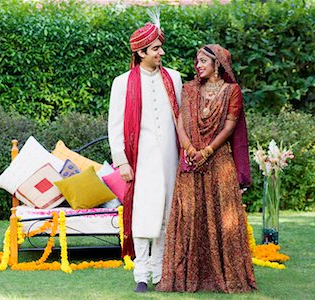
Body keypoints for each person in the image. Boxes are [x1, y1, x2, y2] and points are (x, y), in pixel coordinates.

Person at [156, 44, 257, 293]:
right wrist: (190, 149)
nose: (198, 65)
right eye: (197, 61)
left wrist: (208, 151)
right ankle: (188, 277)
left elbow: (230, 126)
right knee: (190, 215)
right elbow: (179, 121)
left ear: (217, 64)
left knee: (223, 218)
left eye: (203, 61)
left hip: (219, 161)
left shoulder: (232, 91)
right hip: (191, 161)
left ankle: (225, 275)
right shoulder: (189, 89)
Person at [108, 19, 182, 293]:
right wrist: (122, 161)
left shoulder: (174, 78)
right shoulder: (122, 82)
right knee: (141, 216)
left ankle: (161, 273)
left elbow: (181, 121)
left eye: (161, 48)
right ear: (141, 52)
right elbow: (114, 126)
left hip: (169, 159)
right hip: (139, 161)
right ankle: (141, 274)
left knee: (165, 216)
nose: (161, 53)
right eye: (155, 49)